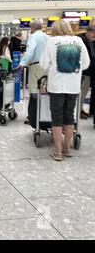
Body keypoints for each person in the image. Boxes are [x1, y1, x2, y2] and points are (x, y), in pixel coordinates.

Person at [40, 20, 90, 161]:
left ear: (55, 29)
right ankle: (67, 148)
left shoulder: (52, 41)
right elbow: (86, 64)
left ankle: (57, 151)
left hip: (56, 85)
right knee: (69, 116)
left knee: (57, 117)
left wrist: (52, 66)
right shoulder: (79, 41)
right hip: (73, 85)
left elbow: (43, 63)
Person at [18, 20, 49, 124]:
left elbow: (30, 51)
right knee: (44, 92)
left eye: (31, 27)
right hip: (47, 66)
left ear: (33, 28)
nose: (30, 29)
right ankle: (43, 116)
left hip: (36, 66)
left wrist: (22, 62)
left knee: (34, 91)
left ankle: (32, 117)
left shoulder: (33, 37)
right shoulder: (47, 37)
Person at [77, 25, 95, 119]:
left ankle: (80, 109)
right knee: (82, 92)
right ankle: (78, 111)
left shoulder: (91, 41)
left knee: (84, 91)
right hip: (83, 72)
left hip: (89, 72)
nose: (93, 35)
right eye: (92, 33)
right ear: (87, 32)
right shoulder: (80, 40)